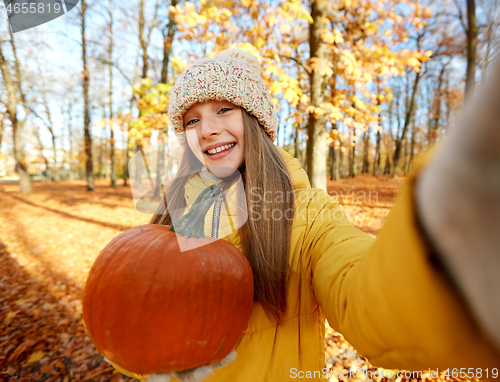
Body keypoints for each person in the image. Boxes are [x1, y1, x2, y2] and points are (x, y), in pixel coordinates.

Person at [116, 49, 500, 381]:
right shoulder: (176, 212)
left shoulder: (310, 214)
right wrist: (135, 356)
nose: (208, 130)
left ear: (255, 120)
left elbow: (361, 295)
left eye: (223, 110)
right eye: (192, 120)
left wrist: (442, 247)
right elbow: (143, 313)